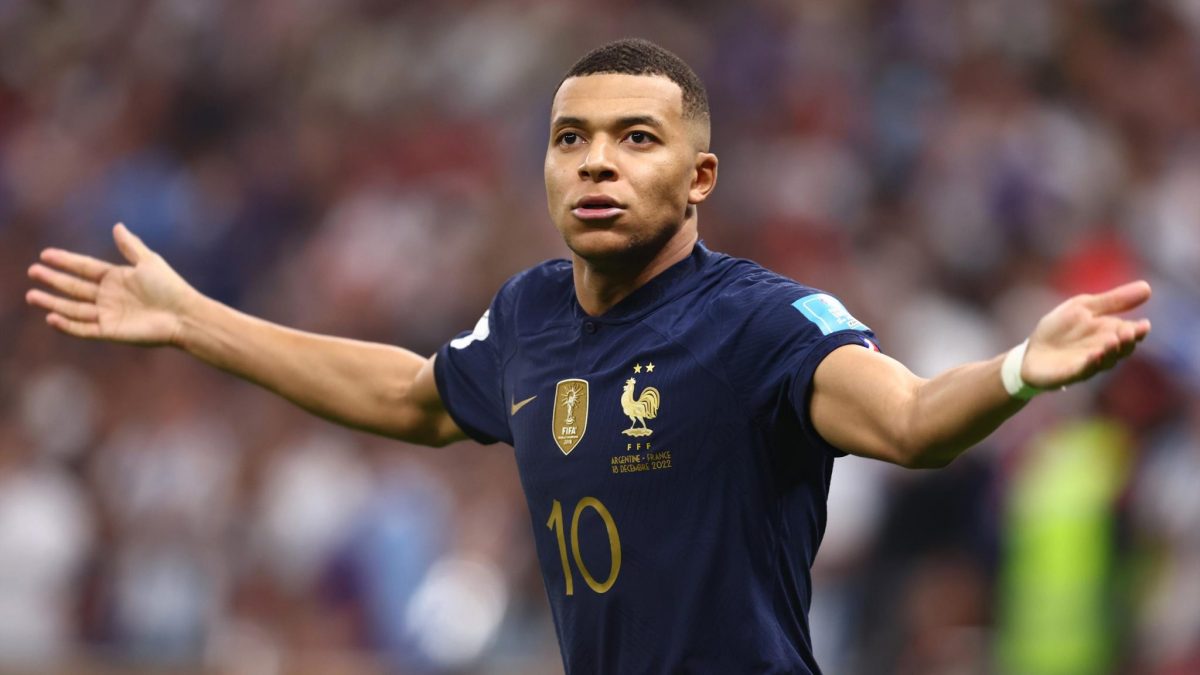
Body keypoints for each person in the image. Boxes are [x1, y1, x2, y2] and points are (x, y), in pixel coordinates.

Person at [25, 39, 1151, 675]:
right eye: (572, 139)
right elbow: (413, 397)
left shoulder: (760, 322)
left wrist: (1017, 369)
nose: (596, 163)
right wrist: (195, 320)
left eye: (636, 138)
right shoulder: (529, 315)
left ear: (700, 180)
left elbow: (907, 419)